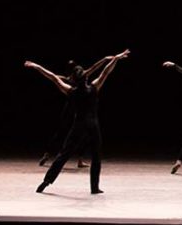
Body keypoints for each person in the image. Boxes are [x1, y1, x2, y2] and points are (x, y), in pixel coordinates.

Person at [27, 49, 130, 195]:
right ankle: (94, 187)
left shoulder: (70, 91)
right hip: (93, 125)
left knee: (64, 154)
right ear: (86, 78)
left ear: (74, 79)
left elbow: (53, 77)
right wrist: (116, 59)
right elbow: (105, 72)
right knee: (96, 156)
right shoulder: (94, 87)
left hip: (79, 125)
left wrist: (36, 66)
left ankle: (46, 181)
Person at [38, 55, 115, 168]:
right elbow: (98, 69)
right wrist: (106, 59)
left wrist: (37, 67)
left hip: (74, 108)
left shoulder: (71, 79)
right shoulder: (78, 77)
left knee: (70, 133)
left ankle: (57, 156)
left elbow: (52, 76)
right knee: (73, 133)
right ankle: (56, 155)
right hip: (75, 110)